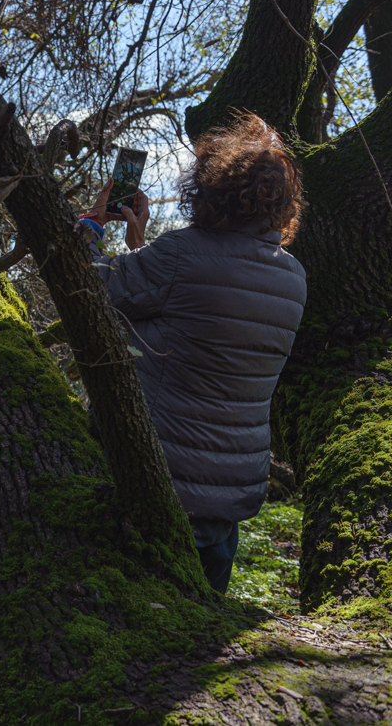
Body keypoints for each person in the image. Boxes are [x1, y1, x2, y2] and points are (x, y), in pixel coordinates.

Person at [80, 114, 307, 593]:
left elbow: (85, 286)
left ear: (208, 187)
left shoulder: (182, 255)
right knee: (197, 634)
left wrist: (93, 220)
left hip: (157, 484)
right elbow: (196, 319)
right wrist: (141, 243)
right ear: (282, 204)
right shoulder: (292, 277)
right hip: (227, 502)